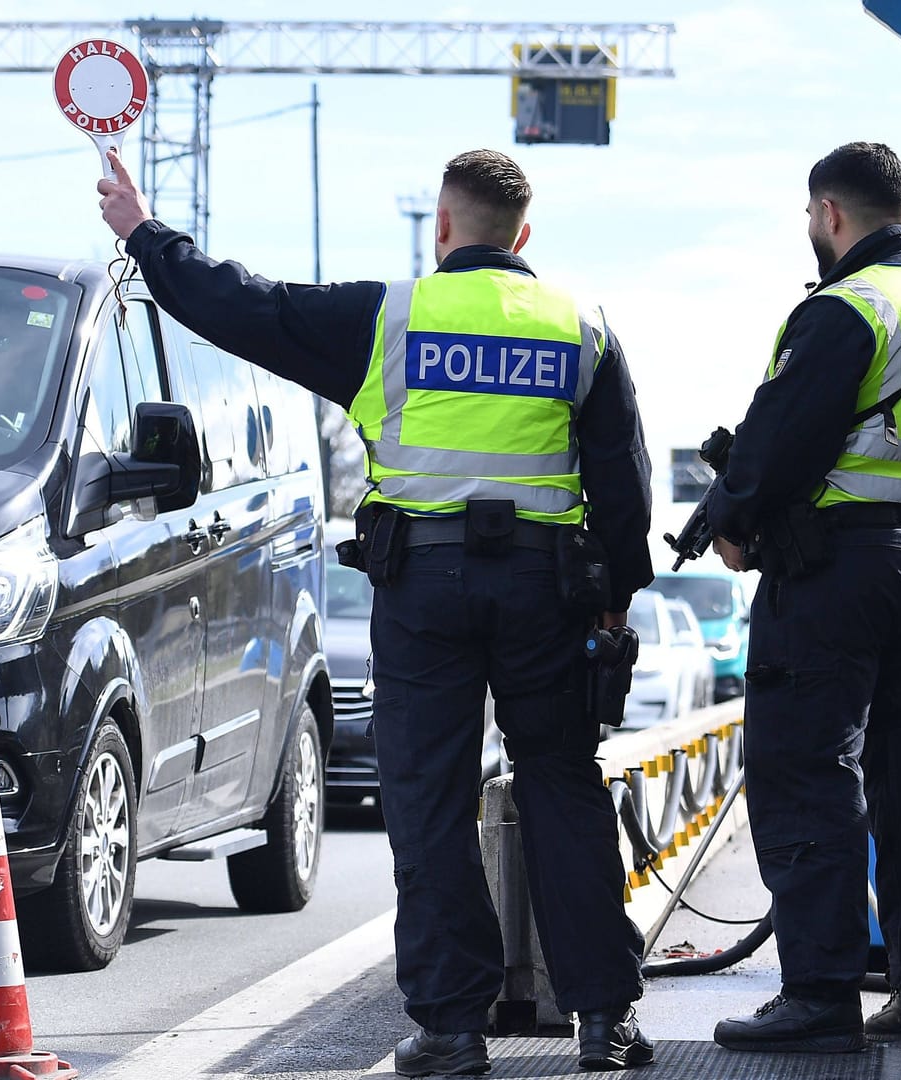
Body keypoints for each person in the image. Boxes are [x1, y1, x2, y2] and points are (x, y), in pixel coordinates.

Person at [98, 147, 657, 1076]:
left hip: (422, 588)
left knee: (429, 803)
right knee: (562, 790)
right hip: (544, 590)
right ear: (523, 237)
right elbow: (625, 487)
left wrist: (145, 235)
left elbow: (246, 305)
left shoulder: (389, 317)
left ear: (443, 228)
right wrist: (613, 603)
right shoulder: (582, 327)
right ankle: (602, 1021)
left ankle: (452, 1029)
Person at [706, 142, 901, 1054]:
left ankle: (821, 996)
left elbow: (778, 443)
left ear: (830, 214)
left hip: (835, 576)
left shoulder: (844, 309)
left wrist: (734, 519)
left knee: (804, 771)